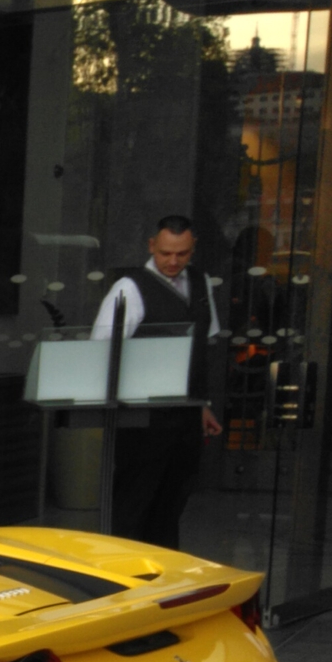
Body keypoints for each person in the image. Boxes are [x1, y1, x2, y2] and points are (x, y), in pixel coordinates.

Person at [89, 215, 227, 549]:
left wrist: (203, 406)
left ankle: (162, 573)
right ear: (152, 246)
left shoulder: (200, 282)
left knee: (172, 502)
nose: (173, 261)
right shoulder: (129, 288)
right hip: (142, 417)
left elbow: (201, 351)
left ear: (193, 249)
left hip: (184, 415)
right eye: (166, 253)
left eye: (182, 254)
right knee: (133, 502)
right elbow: (102, 349)